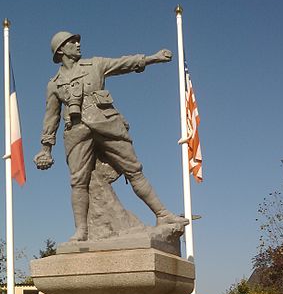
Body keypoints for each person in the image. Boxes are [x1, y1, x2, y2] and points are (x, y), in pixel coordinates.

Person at [34, 31, 188, 241]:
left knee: (133, 169)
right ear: (61, 50)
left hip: (107, 123)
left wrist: (152, 58)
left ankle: (162, 214)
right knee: (78, 181)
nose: (78, 44)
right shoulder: (54, 84)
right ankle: (82, 230)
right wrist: (46, 148)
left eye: (77, 40)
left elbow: (123, 63)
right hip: (76, 132)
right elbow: (51, 116)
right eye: (72, 42)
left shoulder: (95, 65)